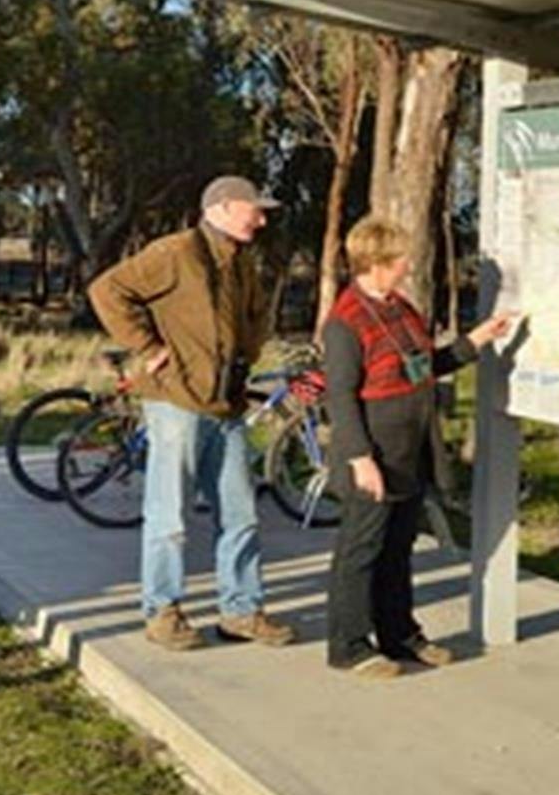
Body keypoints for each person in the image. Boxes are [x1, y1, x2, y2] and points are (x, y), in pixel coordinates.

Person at [89, 175, 296, 652]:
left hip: (225, 404)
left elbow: (249, 323)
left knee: (241, 512)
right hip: (177, 403)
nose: (262, 219)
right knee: (170, 514)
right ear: (222, 208)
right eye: (254, 209)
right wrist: (148, 347)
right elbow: (107, 290)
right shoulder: (176, 252)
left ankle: (242, 610)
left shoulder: (242, 261)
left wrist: (245, 361)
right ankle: (162, 611)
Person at [323, 215, 515, 679]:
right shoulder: (345, 321)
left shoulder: (401, 308)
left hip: (411, 447)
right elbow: (341, 397)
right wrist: (360, 459)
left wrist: (476, 341)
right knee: (361, 549)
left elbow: (425, 365)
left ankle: (400, 634)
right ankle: (348, 645)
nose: (408, 265)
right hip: (375, 450)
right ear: (376, 262)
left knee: (398, 547)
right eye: (399, 258)